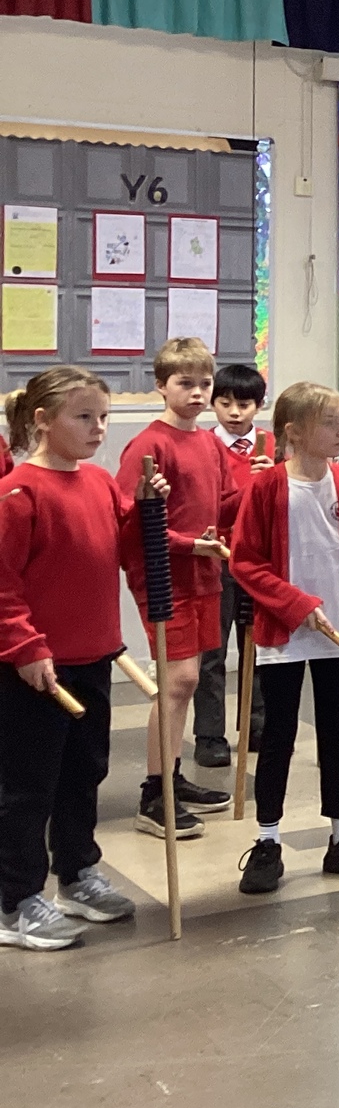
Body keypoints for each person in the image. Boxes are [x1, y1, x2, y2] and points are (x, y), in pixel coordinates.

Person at [0, 369, 152, 950]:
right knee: (28, 786)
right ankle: (16, 901)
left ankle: (77, 873)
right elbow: (4, 585)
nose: (99, 428)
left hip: (93, 656)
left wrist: (148, 509)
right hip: (36, 668)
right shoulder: (19, 492)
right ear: (42, 421)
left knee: (82, 774)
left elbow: (123, 546)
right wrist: (24, 646)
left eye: (103, 417)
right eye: (84, 417)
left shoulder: (99, 482)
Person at [228, 383, 339, 894]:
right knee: (278, 735)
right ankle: (267, 840)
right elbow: (245, 561)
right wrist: (296, 605)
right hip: (284, 631)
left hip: (338, 628)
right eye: (331, 423)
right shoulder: (267, 487)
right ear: (295, 433)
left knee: (336, 732)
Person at [116, 337, 236, 837]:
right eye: (185, 383)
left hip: (204, 574)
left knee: (188, 681)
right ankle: (154, 795)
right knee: (178, 680)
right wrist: (190, 545)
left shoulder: (209, 442)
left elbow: (225, 503)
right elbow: (130, 522)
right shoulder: (149, 445)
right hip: (164, 576)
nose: (198, 392)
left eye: (205, 383)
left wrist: (262, 485)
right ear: (161, 386)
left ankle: (171, 777)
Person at [197, 361, 274, 769]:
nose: (234, 412)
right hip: (217, 557)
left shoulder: (271, 444)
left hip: (259, 558)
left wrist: (274, 478)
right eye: (224, 403)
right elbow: (204, 504)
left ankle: (256, 724)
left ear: (258, 406)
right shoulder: (203, 445)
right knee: (211, 649)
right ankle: (209, 735)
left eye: (243, 404)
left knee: (258, 645)